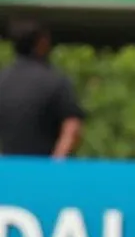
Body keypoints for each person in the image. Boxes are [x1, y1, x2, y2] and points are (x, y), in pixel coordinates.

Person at [0, 19, 85, 157]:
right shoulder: (56, 81)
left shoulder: (2, 80)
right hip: (43, 170)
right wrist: (54, 166)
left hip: (7, 172)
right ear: (42, 43)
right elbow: (72, 127)